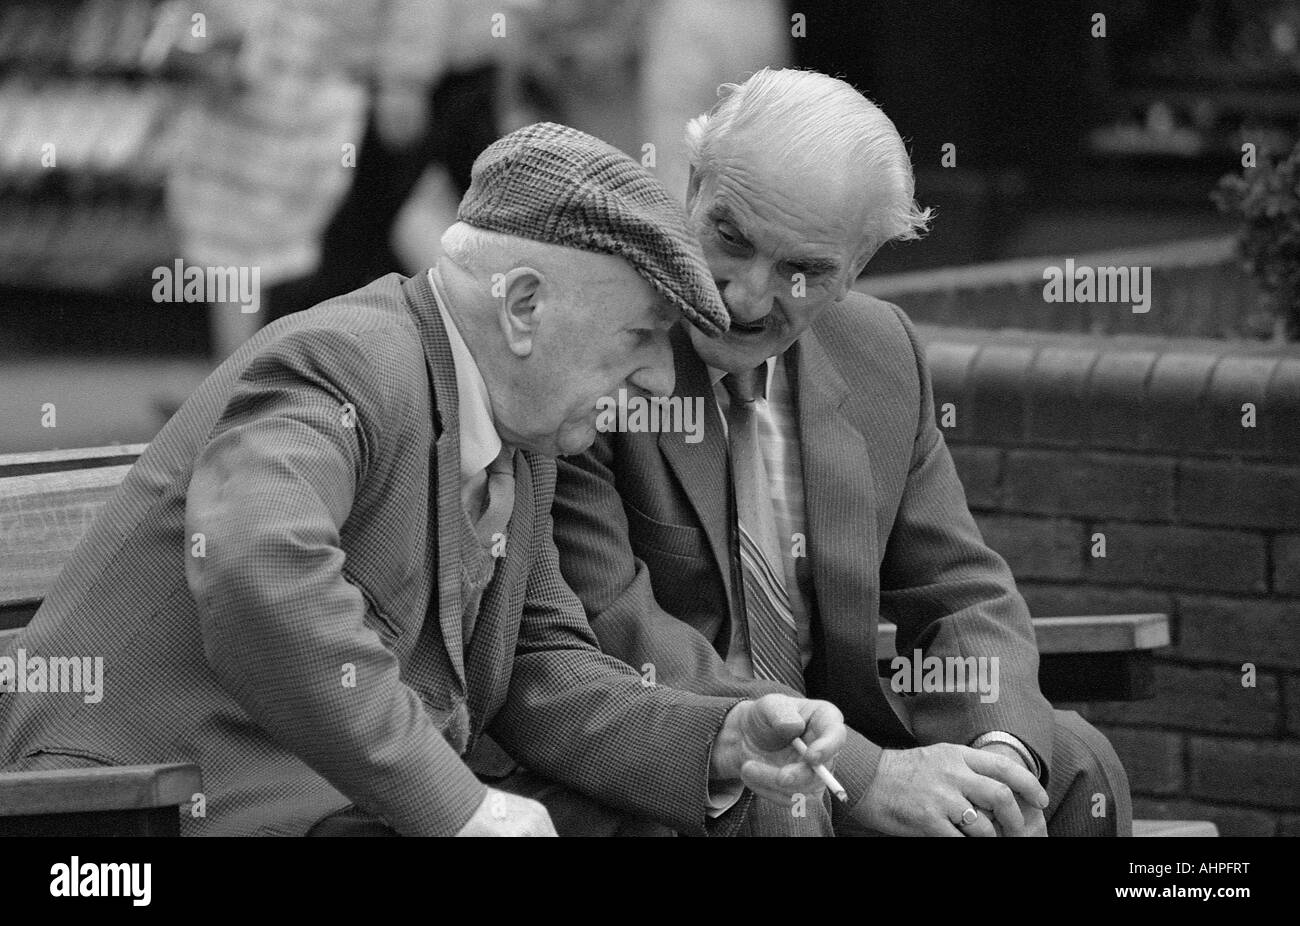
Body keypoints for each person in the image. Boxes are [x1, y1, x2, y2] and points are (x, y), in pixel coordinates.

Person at [0, 122, 846, 837]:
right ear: (521, 308)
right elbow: (258, 567)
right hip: (124, 818)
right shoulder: (342, 363)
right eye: (640, 335)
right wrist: (462, 810)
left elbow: (542, 665)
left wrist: (720, 740)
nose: (663, 380)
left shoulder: (522, 433)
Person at [551, 69, 1130, 837]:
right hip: (676, 761)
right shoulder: (602, 350)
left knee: (1075, 766)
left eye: (805, 270)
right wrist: (864, 774)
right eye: (731, 238)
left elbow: (959, 591)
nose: (749, 298)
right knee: (781, 801)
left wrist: (999, 751)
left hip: (843, 746)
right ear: (692, 188)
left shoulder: (879, 349)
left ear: (857, 267)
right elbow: (619, 632)